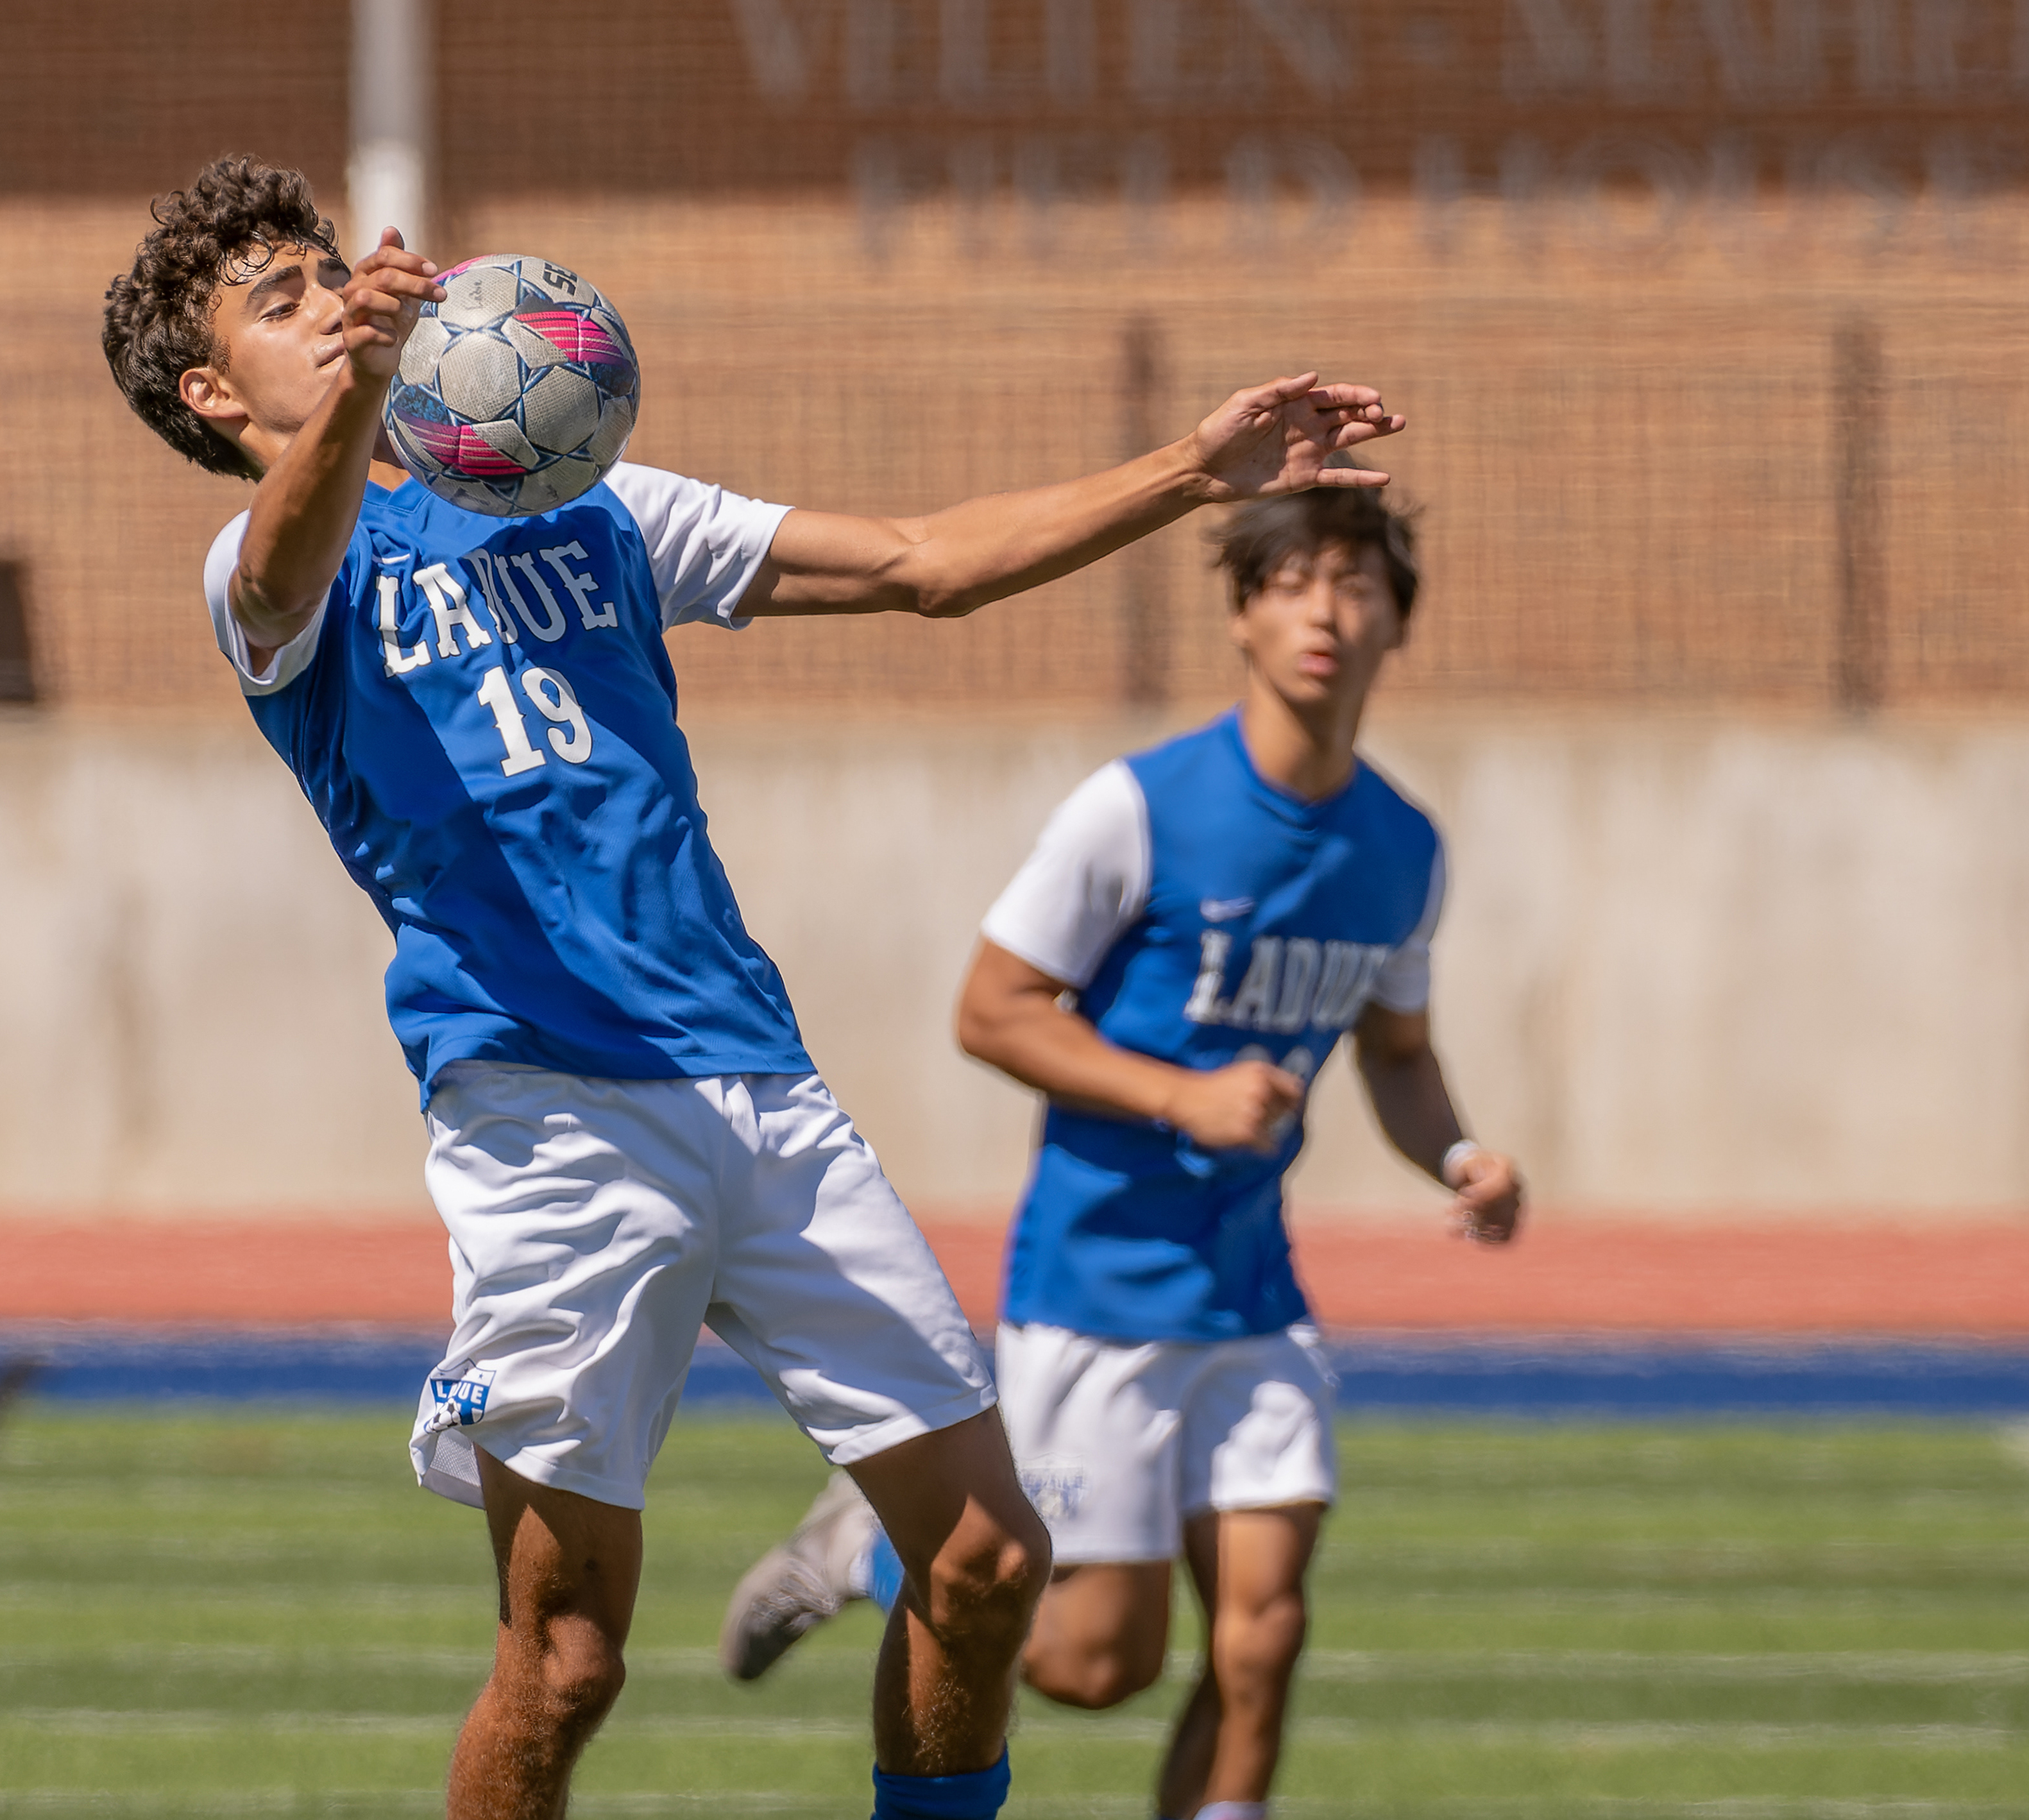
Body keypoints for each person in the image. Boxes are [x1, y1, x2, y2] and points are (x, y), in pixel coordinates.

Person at [100, 155, 1405, 1820]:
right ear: (214, 393)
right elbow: (286, 574)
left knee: (991, 1553)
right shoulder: (265, 567)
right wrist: (364, 384)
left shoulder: (595, 499)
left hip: (761, 1092)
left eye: (329, 274)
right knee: (567, 1660)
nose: (334, 303)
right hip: (546, 1115)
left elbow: (926, 560)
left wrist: (1190, 473)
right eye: (282, 304)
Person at [722, 486, 1524, 1820]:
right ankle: (870, 1551)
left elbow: (1395, 1053)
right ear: (1242, 615)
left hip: (1255, 1296)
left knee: (1263, 1638)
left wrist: (1460, 1159)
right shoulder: (1137, 809)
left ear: (1398, 622)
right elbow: (991, 1010)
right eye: (1295, 581)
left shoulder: (1404, 846)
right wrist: (1179, 1097)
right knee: (1100, 1665)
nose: (1327, 609)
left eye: (1358, 584)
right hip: (1096, 1294)